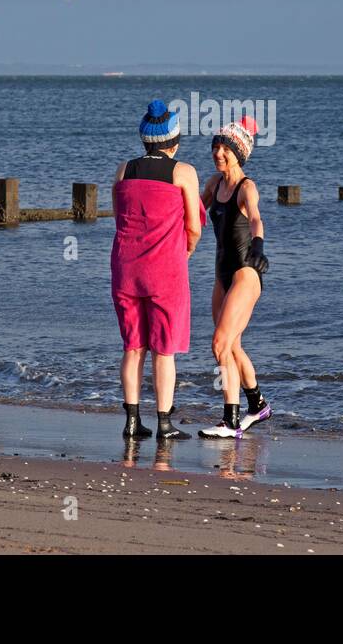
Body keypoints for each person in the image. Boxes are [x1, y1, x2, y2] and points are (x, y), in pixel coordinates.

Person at [111, 100, 203, 440]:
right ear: (174, 142)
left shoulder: (124, 170)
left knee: (133, 346)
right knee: (164, 349)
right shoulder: (184, 173)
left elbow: (120, 217)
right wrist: (185, 253)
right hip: (165, 269)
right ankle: (164, 423)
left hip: (125, 267)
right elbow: (193, 226)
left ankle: (132, 422)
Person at [199, 116, 271, 438]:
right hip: (221, 275)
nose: (218, 153)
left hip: (246, 274)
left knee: (219, 344)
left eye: (225, 148)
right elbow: (195, 213)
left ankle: (230, 422)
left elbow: (256, 219)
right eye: (216, 146)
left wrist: (258, 247)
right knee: (232, 346)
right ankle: (257, 405)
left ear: (238, 153)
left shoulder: (246, 187)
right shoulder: (214, 185)